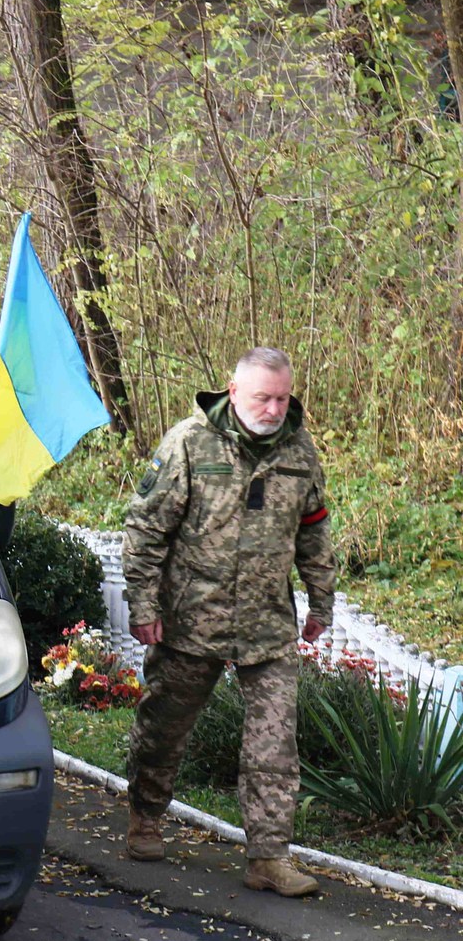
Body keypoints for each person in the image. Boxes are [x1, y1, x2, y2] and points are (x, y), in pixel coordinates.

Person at [123, 346, 337, 898]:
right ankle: (146, 816)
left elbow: (313, 531)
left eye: (282, 397)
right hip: (191, 620)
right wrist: (143, 606)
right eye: (262, 397)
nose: (272, 408)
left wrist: (321, 602)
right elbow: (146, 529)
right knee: (164, 727)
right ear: (234, 391)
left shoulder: (299, 450)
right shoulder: (189, 445)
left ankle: (268, 857)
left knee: (274, 745)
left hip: (267, 625)